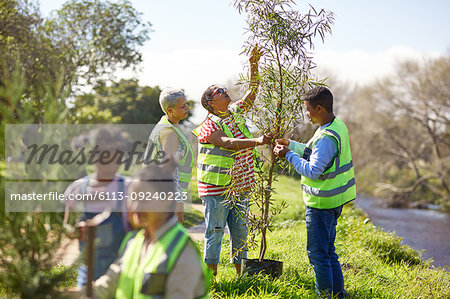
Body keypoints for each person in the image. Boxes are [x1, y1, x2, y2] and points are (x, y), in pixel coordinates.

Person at [195, 45, 271, 276]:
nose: (225, 90)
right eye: (219, 90)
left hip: (240, 186)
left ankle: (241, 277)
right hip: (216, 189)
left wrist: (253, 64)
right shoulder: (209, 125)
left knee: (240, 232)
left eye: (224, 88)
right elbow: (227, 143)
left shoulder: (236, 112)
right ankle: (212, 280)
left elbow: (252, 93)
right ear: (210, 102)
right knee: (215, 232)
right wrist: (258, 141)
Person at [273, 86, 355, 298]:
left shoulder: (327, 137)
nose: (306, 114)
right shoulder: (336, 125)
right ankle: (338, 295)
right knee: (328, 253)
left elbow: (313, 170)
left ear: (319, 108)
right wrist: (290, 145)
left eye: (308, 110)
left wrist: (288, 155)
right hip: (333, 200)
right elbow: (313, 153)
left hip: (322, 204)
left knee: (319, 255)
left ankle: (325, 295)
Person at [85, 164, 210, 299]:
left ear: (167, 199)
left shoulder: (182, 251)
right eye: (133, 197)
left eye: (144, 198)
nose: (136, 206)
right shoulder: (134, 241)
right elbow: (108, 284)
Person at [63, 127, 132, 287]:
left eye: (116, 158)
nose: (110, 164)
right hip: (87, 271)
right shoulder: (78, 188)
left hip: (121, 271)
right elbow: (66, 225)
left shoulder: (129, 188)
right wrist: (74, 230)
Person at [143, 88, 194, 223]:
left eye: (186, 104)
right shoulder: (168, 132)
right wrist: (177, 200)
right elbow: (168, 169)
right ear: (170, 110)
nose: (187, 108)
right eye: (182, 106)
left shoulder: (169, 127)